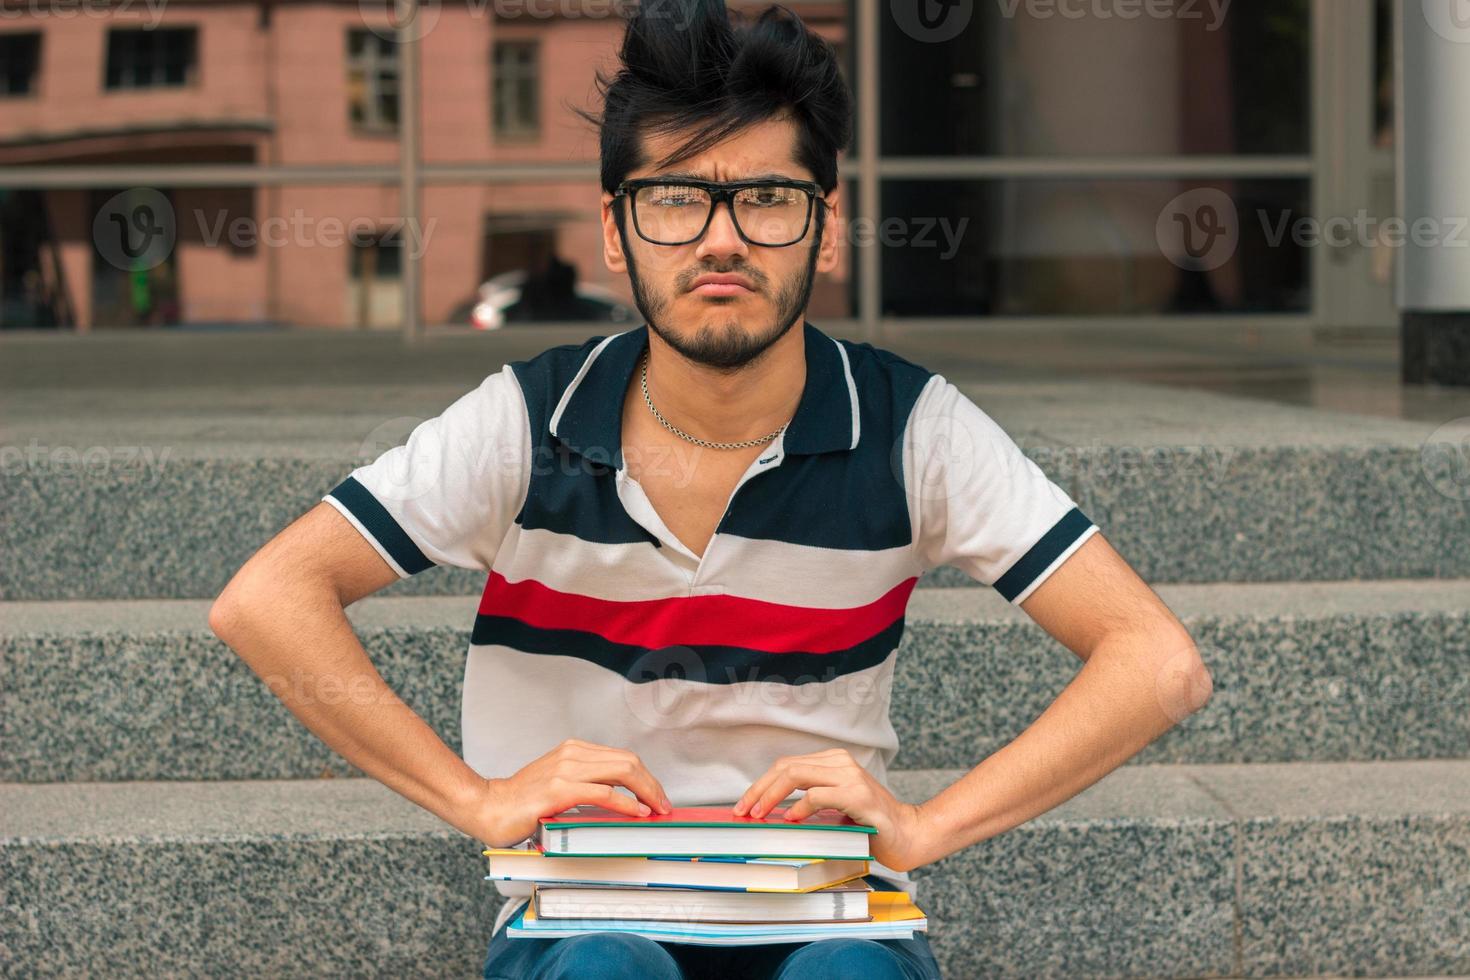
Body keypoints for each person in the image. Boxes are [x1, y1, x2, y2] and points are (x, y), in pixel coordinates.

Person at [208, 1, 1213, 976]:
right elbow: (267, 598)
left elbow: (1158, 661)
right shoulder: (529, 420)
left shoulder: (914, 427)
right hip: (584, 909)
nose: (720, 238)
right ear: (616, 231)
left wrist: (924, 823)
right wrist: (475, 799)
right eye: (676, 198)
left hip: (830, 907)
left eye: (767, 199)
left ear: (825, 231)